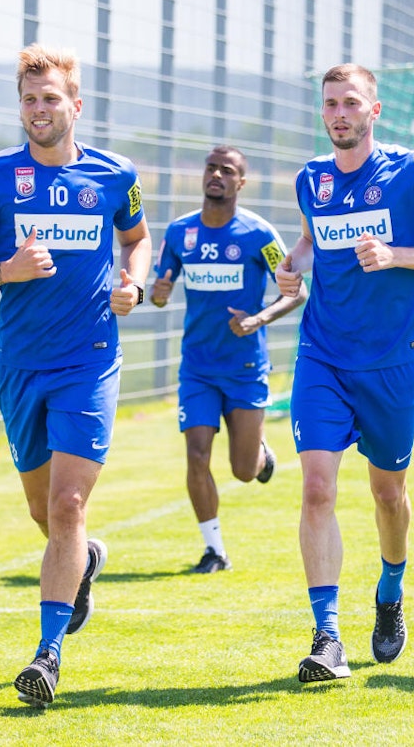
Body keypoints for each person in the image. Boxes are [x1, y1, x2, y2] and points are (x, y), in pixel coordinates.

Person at [0, 43, 152, 708]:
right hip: (20, 365)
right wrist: (5, 271)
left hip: (90, 360)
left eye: (51, 98)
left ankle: (47, 654)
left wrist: (133, 285)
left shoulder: (115, 175)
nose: (39, 108)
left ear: (75, 105)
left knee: (67, 505)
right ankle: (83, 561)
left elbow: (137, 239)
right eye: (29, 99)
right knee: (44, 511)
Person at [274, 63, 414, 682]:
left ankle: (390, 591)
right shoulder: (311, 178)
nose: (339, 114)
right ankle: (327, 637)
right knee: (317, 488)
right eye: (330, 104)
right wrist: (293, 264)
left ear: (375, 110)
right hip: (322, 355)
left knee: (388, 495)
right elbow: (312, 240)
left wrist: (398, 255)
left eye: (351, 103)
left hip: (392, 361)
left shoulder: (413, 171)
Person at [150, 144, 307, 574]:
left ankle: (260, 455)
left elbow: (296, 291)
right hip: (197, 369)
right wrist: (157, 295)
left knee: (242, 470)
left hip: (244, 368)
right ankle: (214, 550)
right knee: (197, 455)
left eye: (227, 170)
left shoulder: (258, 234)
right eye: (211, 168)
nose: (216, 175)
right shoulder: (179, 233)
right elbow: (160, 292)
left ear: (241, 182)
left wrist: (258, 318)